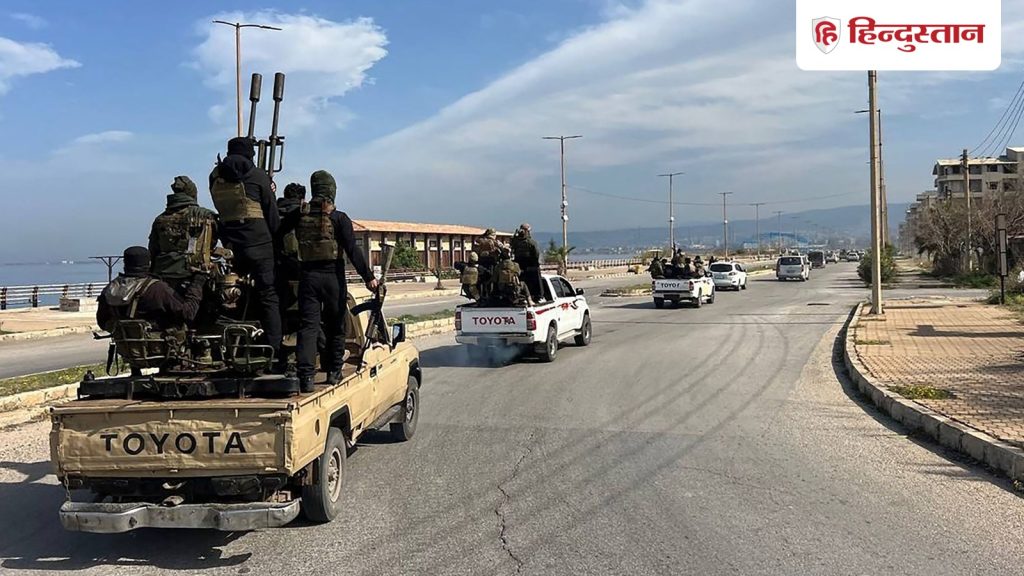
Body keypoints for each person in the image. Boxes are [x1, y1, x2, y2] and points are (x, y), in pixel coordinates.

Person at [282, 170, 377, 393]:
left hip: (308, 277)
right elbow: (353, 251)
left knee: (308, 327)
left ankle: (306, 378)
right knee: (336, 325)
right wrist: (369, 278)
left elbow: (278, 234)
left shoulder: (299, 215)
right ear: (332, 191)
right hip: (333, 277)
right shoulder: (339, 218)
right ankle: (334, 372)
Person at [209, 137, 282, 362]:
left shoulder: (215, 177)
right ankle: (273, 351)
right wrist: (277, 241)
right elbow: (271, 212)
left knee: (238, 295)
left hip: (232, 247)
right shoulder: (258, 175)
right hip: (260, 243)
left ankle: (238, 348)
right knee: (268, 296)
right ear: (250, 154)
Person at [97, 246, 206, 333]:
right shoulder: (157, 288)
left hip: (126, 349)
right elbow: (188, 314)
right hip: (161, 348)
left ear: (125, 263)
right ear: (149, 263)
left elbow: (102, 322)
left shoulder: (110, 288)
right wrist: (197, 283)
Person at [148, 176, 218, 291]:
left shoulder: (160, 218)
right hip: (193, 274)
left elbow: (153, 249)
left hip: (162, 274)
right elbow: (212, 242)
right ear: (192, 193)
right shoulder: (205, 215)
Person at [511, 223, 543, 302]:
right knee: (536, 279)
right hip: (530, 265)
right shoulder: (531, 242)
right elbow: (536, 254)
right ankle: (539, 296)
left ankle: (522, 295)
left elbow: (512, 248)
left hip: (519, 266)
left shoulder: (516, 242)